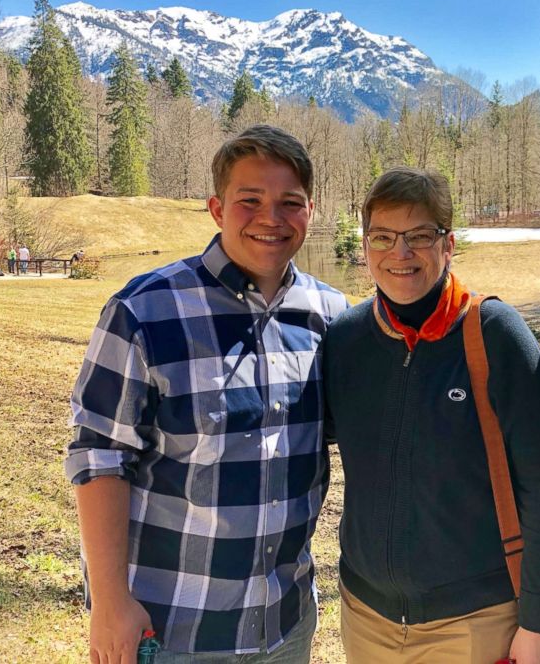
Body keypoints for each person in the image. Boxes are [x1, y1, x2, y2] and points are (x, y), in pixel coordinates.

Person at [65, 125, 348, 662]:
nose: (271, 217)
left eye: (290, 202)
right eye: (250, 201)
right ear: (217, 209)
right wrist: (108, 602)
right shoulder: (144, 312)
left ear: (309, 211)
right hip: (173, 628)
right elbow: (98, 456)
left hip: (286, 625)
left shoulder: (330, 317)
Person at [324, 168, 540, 664]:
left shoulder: (494, 334)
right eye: (383, 237)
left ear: (448, 244)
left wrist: (539, 620)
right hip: (366, 616)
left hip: (476, 621)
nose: (400, 253)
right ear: (365, 245)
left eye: (419, 237)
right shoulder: (345, 340)